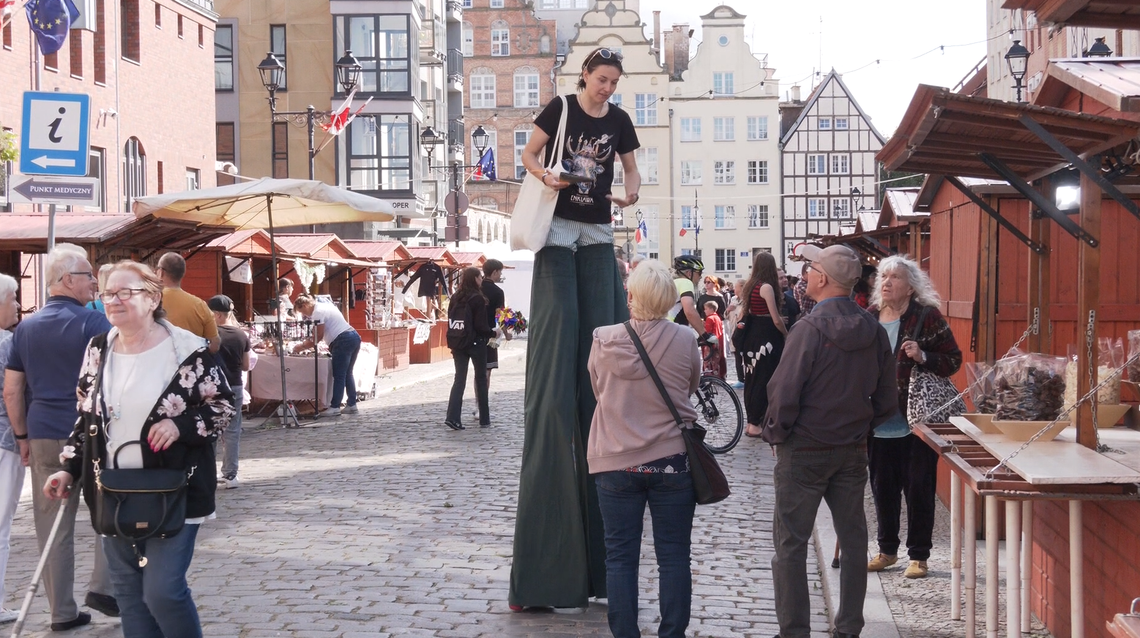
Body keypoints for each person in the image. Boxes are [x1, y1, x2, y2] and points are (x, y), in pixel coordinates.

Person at [511, 46, 641, 612]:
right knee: (559, 380)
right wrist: (548, 177)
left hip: (598, 234)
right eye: (601, 79)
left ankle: (602, 571)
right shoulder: (560, 107)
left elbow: (632, 170)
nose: (607, 89)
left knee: (601, 369)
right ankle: (553, 570)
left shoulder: (619, 121)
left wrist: (632, 188)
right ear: (584, 75)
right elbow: (527, 155)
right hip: (559, 228)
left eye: (613, 82)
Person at [43, 260, 235, 638]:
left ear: (151, 298)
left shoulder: (188, 351)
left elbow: (223, 406)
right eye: (107, 293)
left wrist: (178, 425)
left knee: (163, 591)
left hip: (175, 490)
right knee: (130, 596)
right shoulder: (98, 349)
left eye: (124, 292)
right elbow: (87, 417)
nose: (112, 300)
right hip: (114, 490)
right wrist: (69, 466)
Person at [762, 244, 898, 638]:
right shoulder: (872, 328)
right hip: (851, 448)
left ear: (821, 278)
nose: (804, 274)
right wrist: (860, 427)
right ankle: (849, 628)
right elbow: (888, 398)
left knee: (790, 544)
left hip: (804, 447)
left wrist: (777, 432)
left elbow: (784, 390)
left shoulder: (809, 329)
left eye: (809, 268)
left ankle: (794, 632)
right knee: (854, 541)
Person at [3, 243, 118, 630]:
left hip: (44, 435)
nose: (94, 284)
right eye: (88, 275)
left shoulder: (26, 328)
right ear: (67, 279)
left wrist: (22, 435)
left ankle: (61, 612)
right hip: (92, 435)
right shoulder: (94, 324)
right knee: (109, 513)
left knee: (51, 524)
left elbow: (12, 390)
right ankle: (104, 587)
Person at [587, 259, 701, 638]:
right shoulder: (685, 339)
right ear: (670, 299)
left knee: (620, 557)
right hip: (671, 460)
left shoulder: (603, 339)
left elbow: (599, 391)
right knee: (673, 556)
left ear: (630, 296)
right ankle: (672, 634)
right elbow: (688, 386)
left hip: (616, 460)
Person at [867, 255, 962, 580]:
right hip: (878, 422)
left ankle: (918, 556)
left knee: (919, 488)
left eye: (894, 277)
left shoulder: (926, 317)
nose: (887, 282)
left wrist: (924, 356)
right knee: (883, 488)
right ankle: (887, 550)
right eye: (883, 277)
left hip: (916, 421)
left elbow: (953, 360)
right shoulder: (870, 317)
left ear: (910, 286)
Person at [739, 252, 787, 438]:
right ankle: (756, 422)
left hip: (752, 335)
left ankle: (752, 421)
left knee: (752, 378)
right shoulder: (766, 287)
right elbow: (775, 319)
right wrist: (787, 333)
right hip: (767, 336)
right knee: (765, 378)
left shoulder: (751, 286)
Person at [292, 296, 362, 417]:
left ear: (304, 306)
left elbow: (318, 336)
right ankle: (351, 404)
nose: (305, 315)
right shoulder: (325, 305)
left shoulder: (317, 312)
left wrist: (301, 347)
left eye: (303, 312)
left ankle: (335, 406)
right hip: (353, 335)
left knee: (339, 375)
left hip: (342, 340)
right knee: (347, 373)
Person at [444, 268, 496, 431]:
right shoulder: (477, 298)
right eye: (480, 277)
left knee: (459, 379)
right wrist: (493, 332)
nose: (481, 279)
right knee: (481, 379)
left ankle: (453, 417)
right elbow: (480, 326)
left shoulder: (455, 297)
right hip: (476, 343)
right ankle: (484, 419)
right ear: (475, 279)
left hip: (458, 342)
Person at [208, 295, 251, 489]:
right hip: (235, 386)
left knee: (210, 430)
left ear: (216, 314)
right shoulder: (241, 335)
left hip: (213, 387)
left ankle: (207, 472)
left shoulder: (209, 335)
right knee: (233, 430)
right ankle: (230, 474)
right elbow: (246, 366)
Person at [0, 274, 22, 624]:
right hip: (4, 439)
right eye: (13, 298)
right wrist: (23, 435)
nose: (19, 305)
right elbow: (15, 392)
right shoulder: (7, 344)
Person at [156, 253, 220, 354]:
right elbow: (215, 344)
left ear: (161, 272)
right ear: (183, 273)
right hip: (190, 364)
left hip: (157, 364)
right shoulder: (200, 305)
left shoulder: (150, 301)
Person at [481, 259, 509, 387]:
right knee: (487, 369)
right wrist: (506, 333)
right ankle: (482, 401)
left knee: (478, 370)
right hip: (490, 333)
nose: (500, 275)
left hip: (473, 333)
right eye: (500, 272)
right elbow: (500, 315)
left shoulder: (476, 287)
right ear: (494, 272)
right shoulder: (498, 292)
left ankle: (479, 399)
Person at [670, 256, 705, 332]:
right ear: (689, 273)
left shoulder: (671, 283)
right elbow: (689, 310)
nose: (701, 277)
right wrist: (704, 334)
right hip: (672, 330)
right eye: (699, 272)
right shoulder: (685, 282)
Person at [727, 280, 746, 389]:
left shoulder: (746, 301)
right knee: (737, 356)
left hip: (742, 332)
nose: (735, 289)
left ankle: (745, 378)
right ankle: (740, 379)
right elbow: (726, 315)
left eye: (736, 287)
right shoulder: (733, 299)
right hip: (733, 330)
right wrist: (728, 310)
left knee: (743, 355)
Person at [701, 300, 726, 379]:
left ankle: (709, 377)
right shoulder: (717, 317)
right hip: (718, 342)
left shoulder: (710, 318)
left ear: (711, 309)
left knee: (708, 361)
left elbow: (707, 332)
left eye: (706, 309)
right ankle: (717, 376)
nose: (704, 311)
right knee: (716, 361)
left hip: (710, 343)